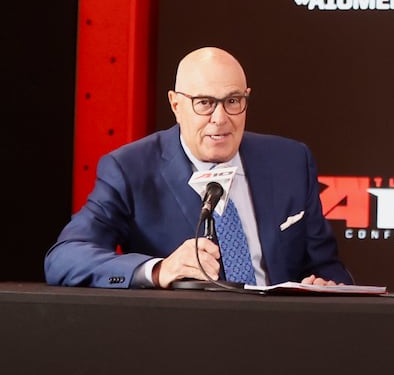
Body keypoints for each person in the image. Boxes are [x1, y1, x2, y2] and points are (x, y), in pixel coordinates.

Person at [45, 47, 351, 289]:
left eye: (233, 101)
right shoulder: (130, 169)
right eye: (204, 103)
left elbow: (327, 265)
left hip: (282, 338)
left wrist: (324, 285)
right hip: (183, 344)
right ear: (176, 105)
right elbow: (65, 257)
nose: (220, 118)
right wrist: (159, 270)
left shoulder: (291, 161)